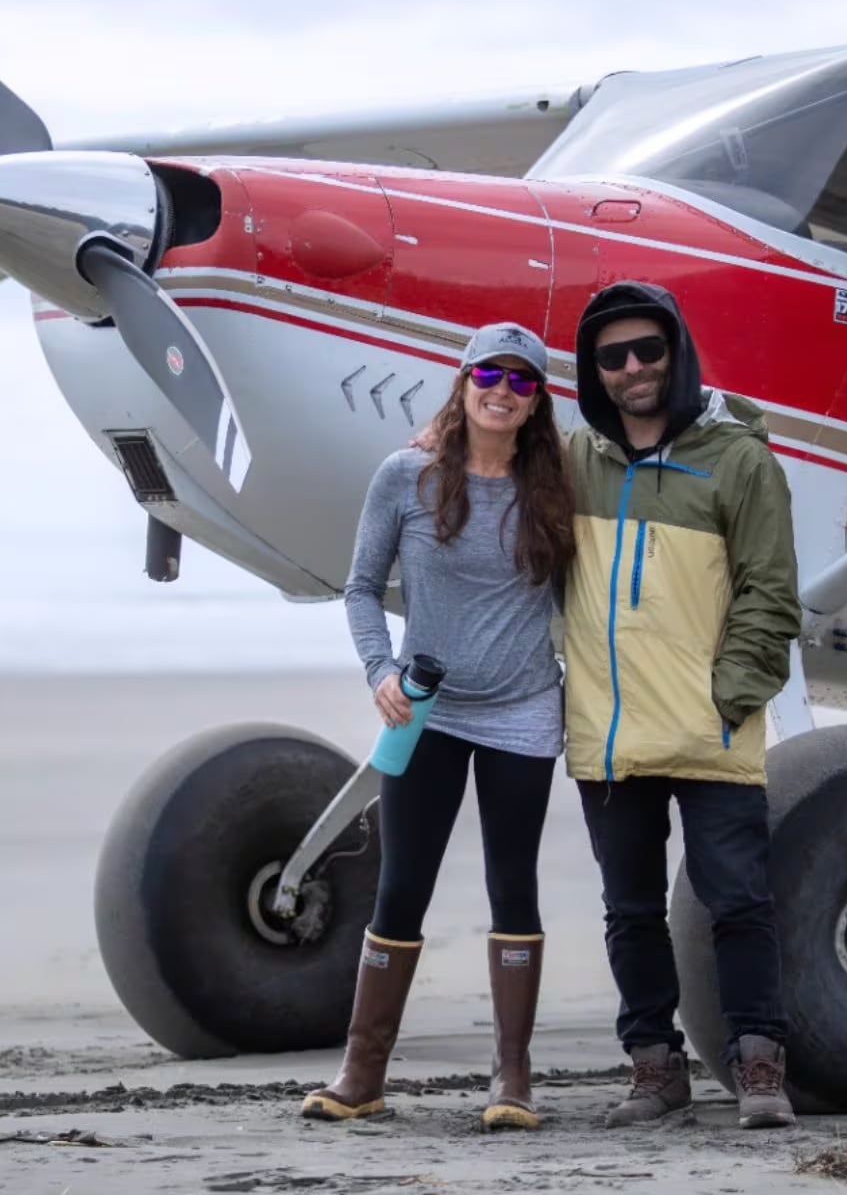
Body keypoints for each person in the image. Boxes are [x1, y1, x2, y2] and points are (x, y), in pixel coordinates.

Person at [301, 322, 574, 1131]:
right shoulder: (405, 476)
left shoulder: (556, 490)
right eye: (488, 373)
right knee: (402, 883)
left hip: (524, 714)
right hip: (427, 713)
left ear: (535, 403)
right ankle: (363, 1071)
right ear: (461, 383)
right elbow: (359, 589)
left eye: (521, 381)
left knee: (511, 883)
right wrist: (380, 672)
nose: (502, 389)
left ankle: (513, 1076)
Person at [562, 280, 801, 1130]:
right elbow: (489, 494)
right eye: (613, 356)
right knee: (629, 912)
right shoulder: (572, 462)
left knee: (737, 902)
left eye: (648, 351)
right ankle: (655, 1068)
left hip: (712, 731)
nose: (633, 368)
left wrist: (731, 695)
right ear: (595, 371)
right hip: (610, 734)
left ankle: (760, 1065)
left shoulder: (739, 462)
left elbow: (770, 595)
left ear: (677, 354)